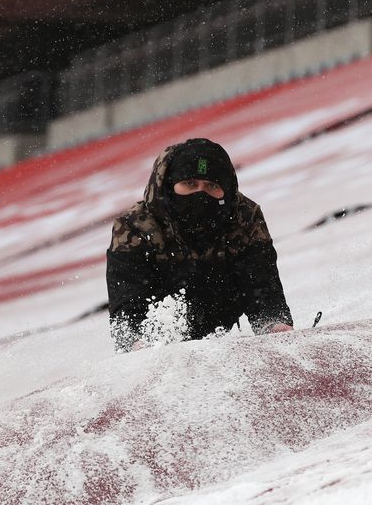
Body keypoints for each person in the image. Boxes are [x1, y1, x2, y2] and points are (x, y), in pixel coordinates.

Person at [107, 138, 293, 351]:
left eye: (212, 186)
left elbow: (262, 286)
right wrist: (139, 344)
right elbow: (127, 305)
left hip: (223, 332)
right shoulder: (134, 227)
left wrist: (273, 323)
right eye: (190, 184)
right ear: (169, 185)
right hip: (160, 338)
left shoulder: (245, 217)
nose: (200, 193)